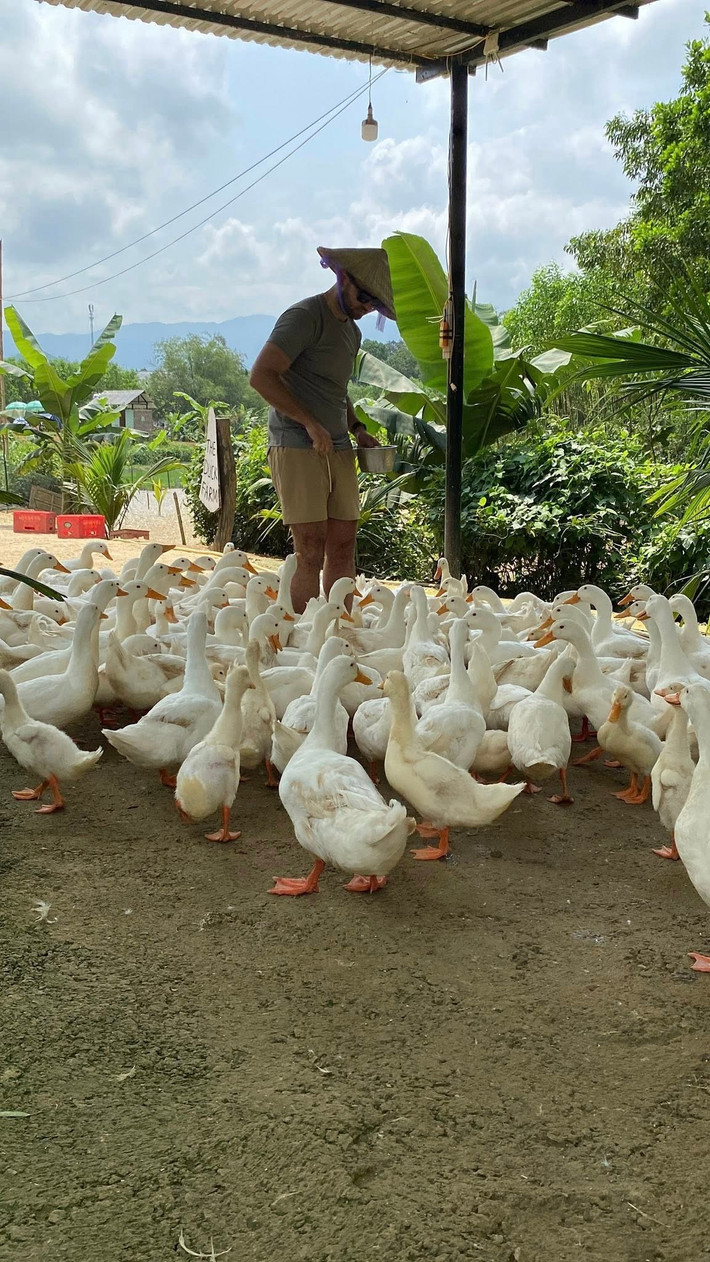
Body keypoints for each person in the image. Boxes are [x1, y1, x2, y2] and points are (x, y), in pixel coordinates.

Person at [249, 245, 395, 614]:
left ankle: (338, 624)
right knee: (310, 547)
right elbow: (261, 376)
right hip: (297, 444)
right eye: (364, 297)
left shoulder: (352, 334)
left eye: (374, 304)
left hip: (339, 444)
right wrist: (309, 423)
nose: (366, 308)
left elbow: (336, 390)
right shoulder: (304, 317)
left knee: (344, 542)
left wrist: (357, 428)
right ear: (343, 278)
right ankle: (303, 633)